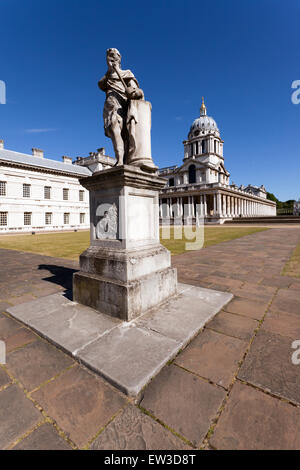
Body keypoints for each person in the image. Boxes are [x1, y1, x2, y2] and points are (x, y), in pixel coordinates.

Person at [98, 48, 144, 165]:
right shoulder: (107, 77)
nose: (112, 57)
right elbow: (100, 84)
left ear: (119, 58)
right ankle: (119, 159)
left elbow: (137, 91)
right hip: (110, 107)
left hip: (123, 107)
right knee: (115, 131)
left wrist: (133, 92)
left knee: (125, 134)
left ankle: (123, 160)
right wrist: (109, 70)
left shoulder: (127, 73)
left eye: (114, 55)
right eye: (109, 55)